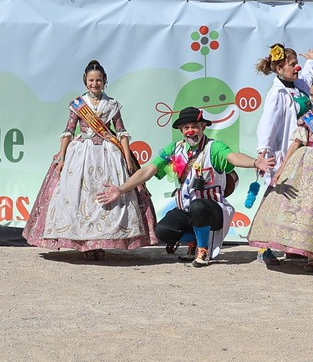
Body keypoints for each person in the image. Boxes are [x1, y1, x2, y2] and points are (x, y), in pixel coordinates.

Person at [97, 106, 271, 267]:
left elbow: (233, 157)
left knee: (199, 205)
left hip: (214, 210)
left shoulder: (214, 147)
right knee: (163, 231)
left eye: (195, 126)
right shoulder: (175, 149)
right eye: (186, 127)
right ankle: (194, 240)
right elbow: (149, 170)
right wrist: (120, 189)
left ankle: (203, 250)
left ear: (203, 127)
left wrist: (256, 163)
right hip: (188, 209)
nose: (191, 131)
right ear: (181, 130)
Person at [24, 60, 157, 255]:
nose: (95, 83)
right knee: (78, 197)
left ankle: (101, 243)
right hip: (81, 153)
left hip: (108, 153)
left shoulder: (112, 105)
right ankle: (84, 244)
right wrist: (61, 158)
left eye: (99, 80)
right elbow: (68, 131)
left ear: (105, 81)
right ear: (85, 82)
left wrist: (128, 159)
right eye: (91, 80)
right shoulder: (78, 105)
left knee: (105, 197)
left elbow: (121, 132)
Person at [246, 75, 313, 271]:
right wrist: (282, 169)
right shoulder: (307, 119)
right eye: (312, 95)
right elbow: (296, 144)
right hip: (304, 167)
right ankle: (309, 257)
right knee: (305, 209)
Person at [252, 43, 313, 262]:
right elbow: (267, 124)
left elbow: (310, 75)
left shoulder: (300, 84)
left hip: (304, 151)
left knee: (295, 197)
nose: (298, 68)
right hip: (283, 151)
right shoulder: (277, 94)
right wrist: (263, 151)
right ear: (279, 68)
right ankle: (264, 247)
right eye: (293, 65)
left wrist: (311, 59)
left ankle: (290, 245)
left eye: (297, 64)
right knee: (275, 196)